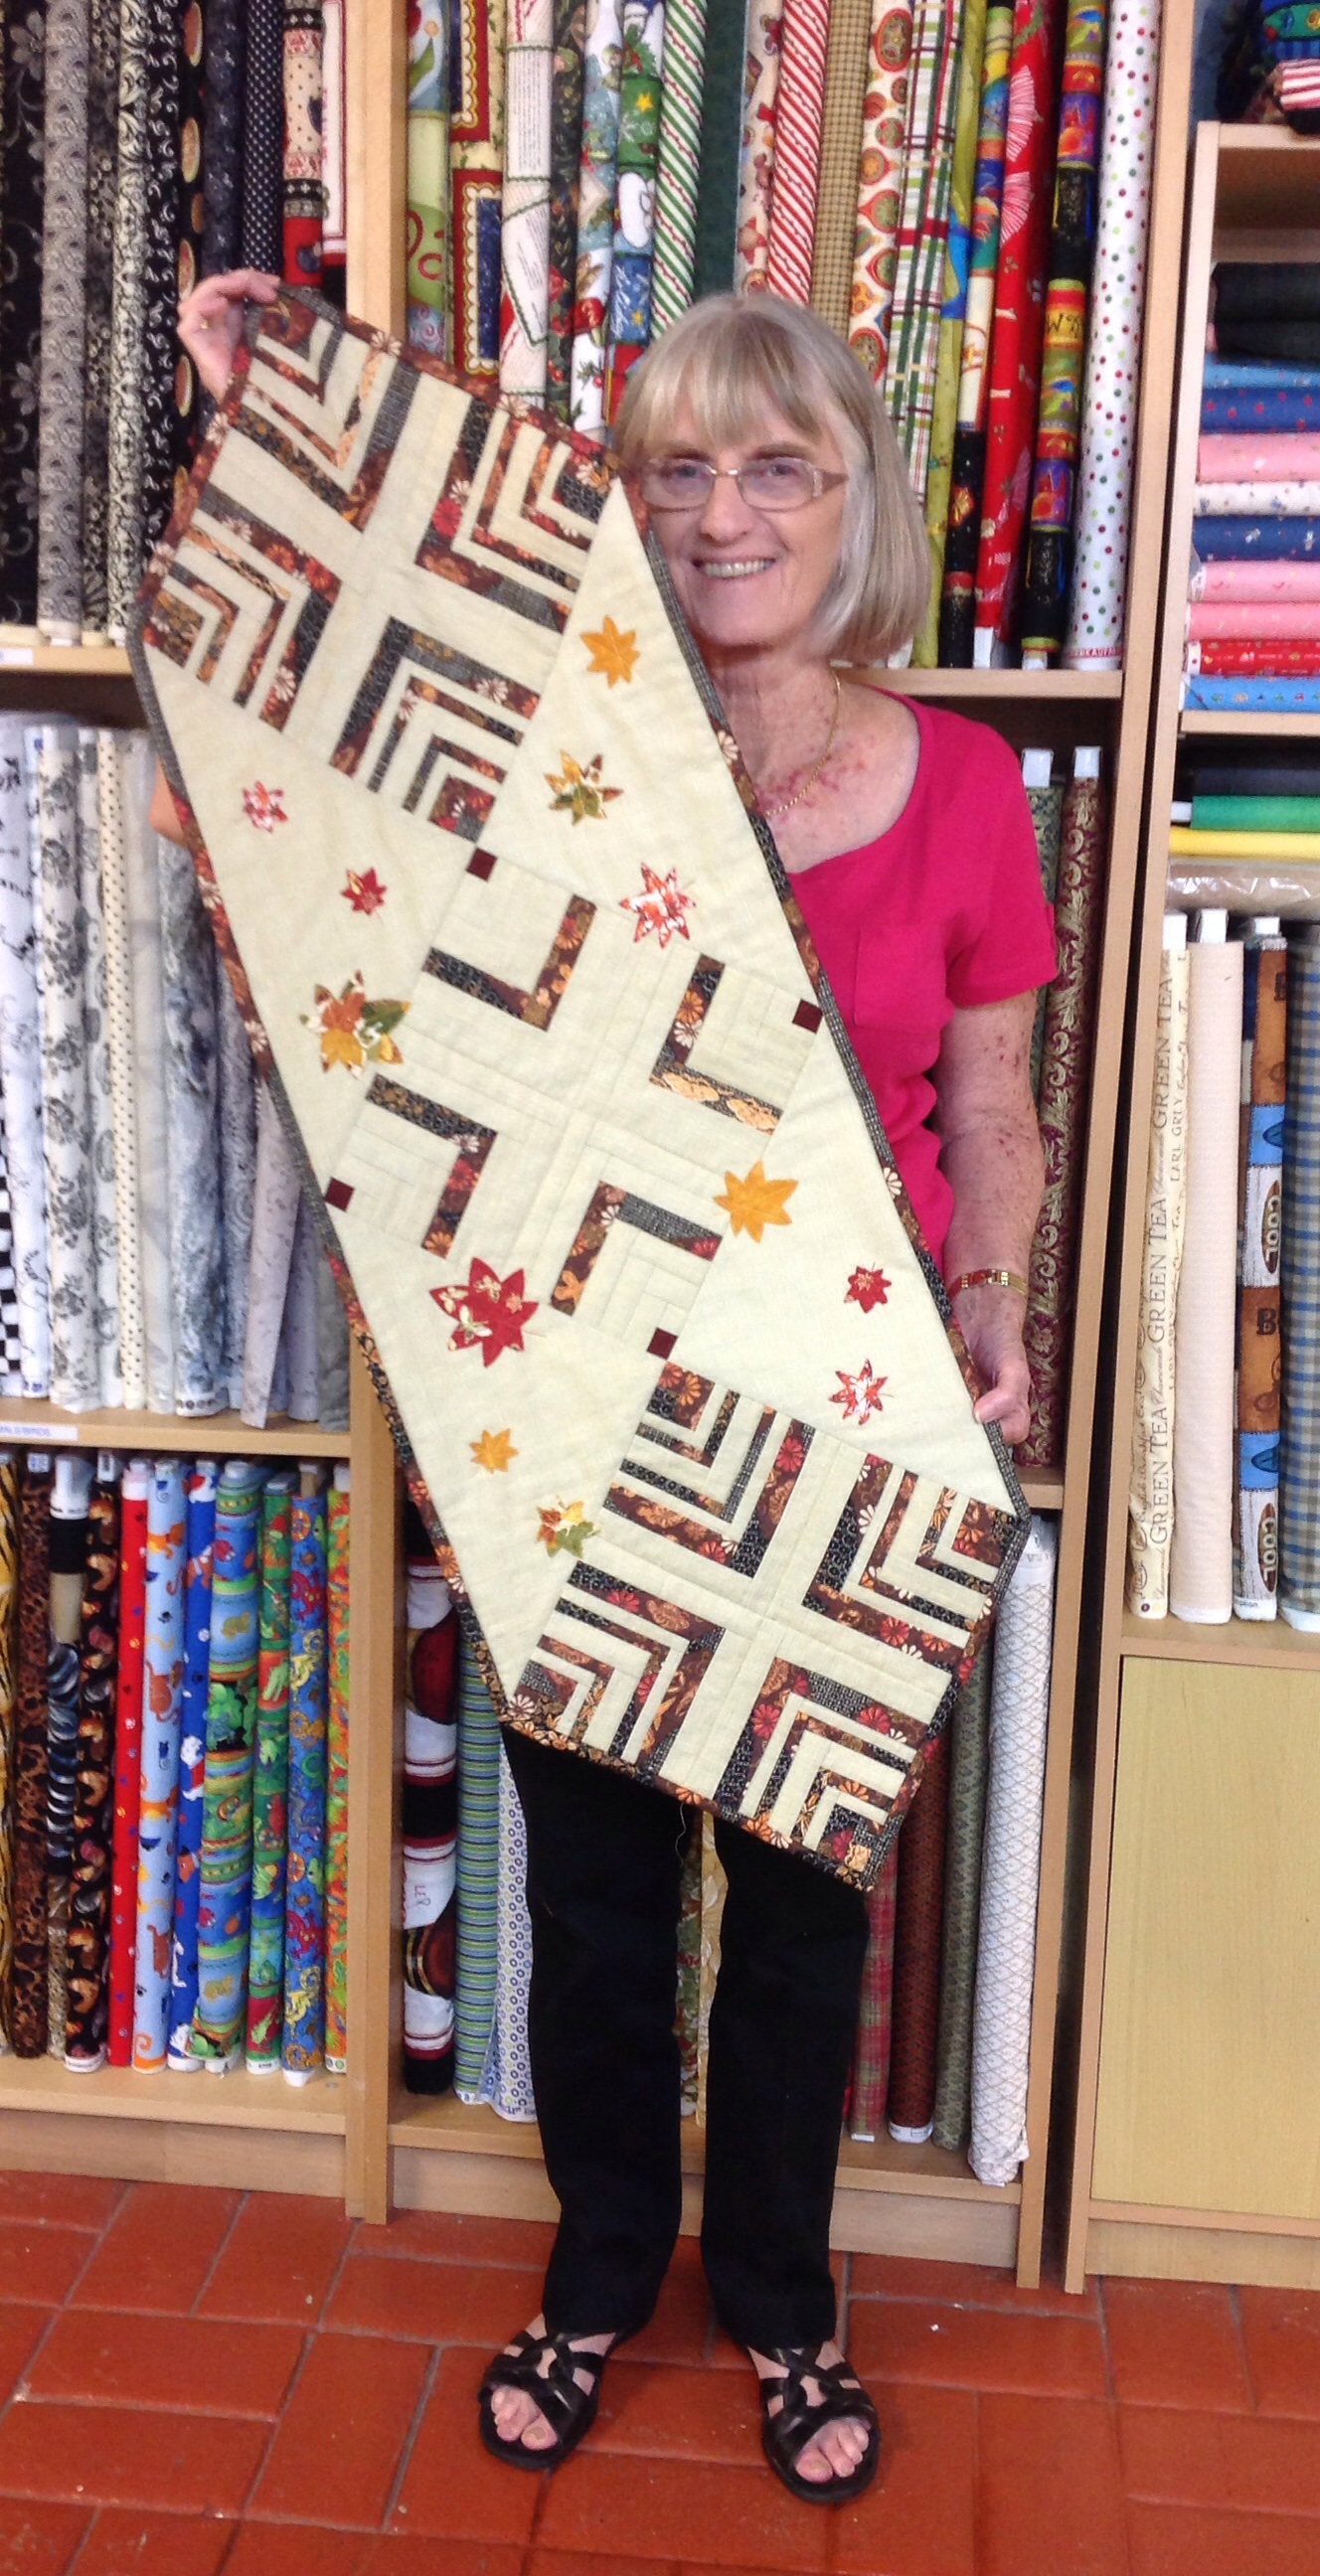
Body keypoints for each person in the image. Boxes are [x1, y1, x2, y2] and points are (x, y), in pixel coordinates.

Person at [173, 278, 1054, 2504]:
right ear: (622, 505)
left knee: (802, 1906)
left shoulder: (959, 787)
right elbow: (320, 791)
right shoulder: (553, 742)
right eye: (676, 470)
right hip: (573, 1390)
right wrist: (268, 411)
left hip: (841, 1405)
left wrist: (992, 1291)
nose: (725, 513)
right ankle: (594, 2271)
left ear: (853, 502)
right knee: (593, 1896)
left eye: (779, 468)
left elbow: (993, 1098)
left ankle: (779, 2298)